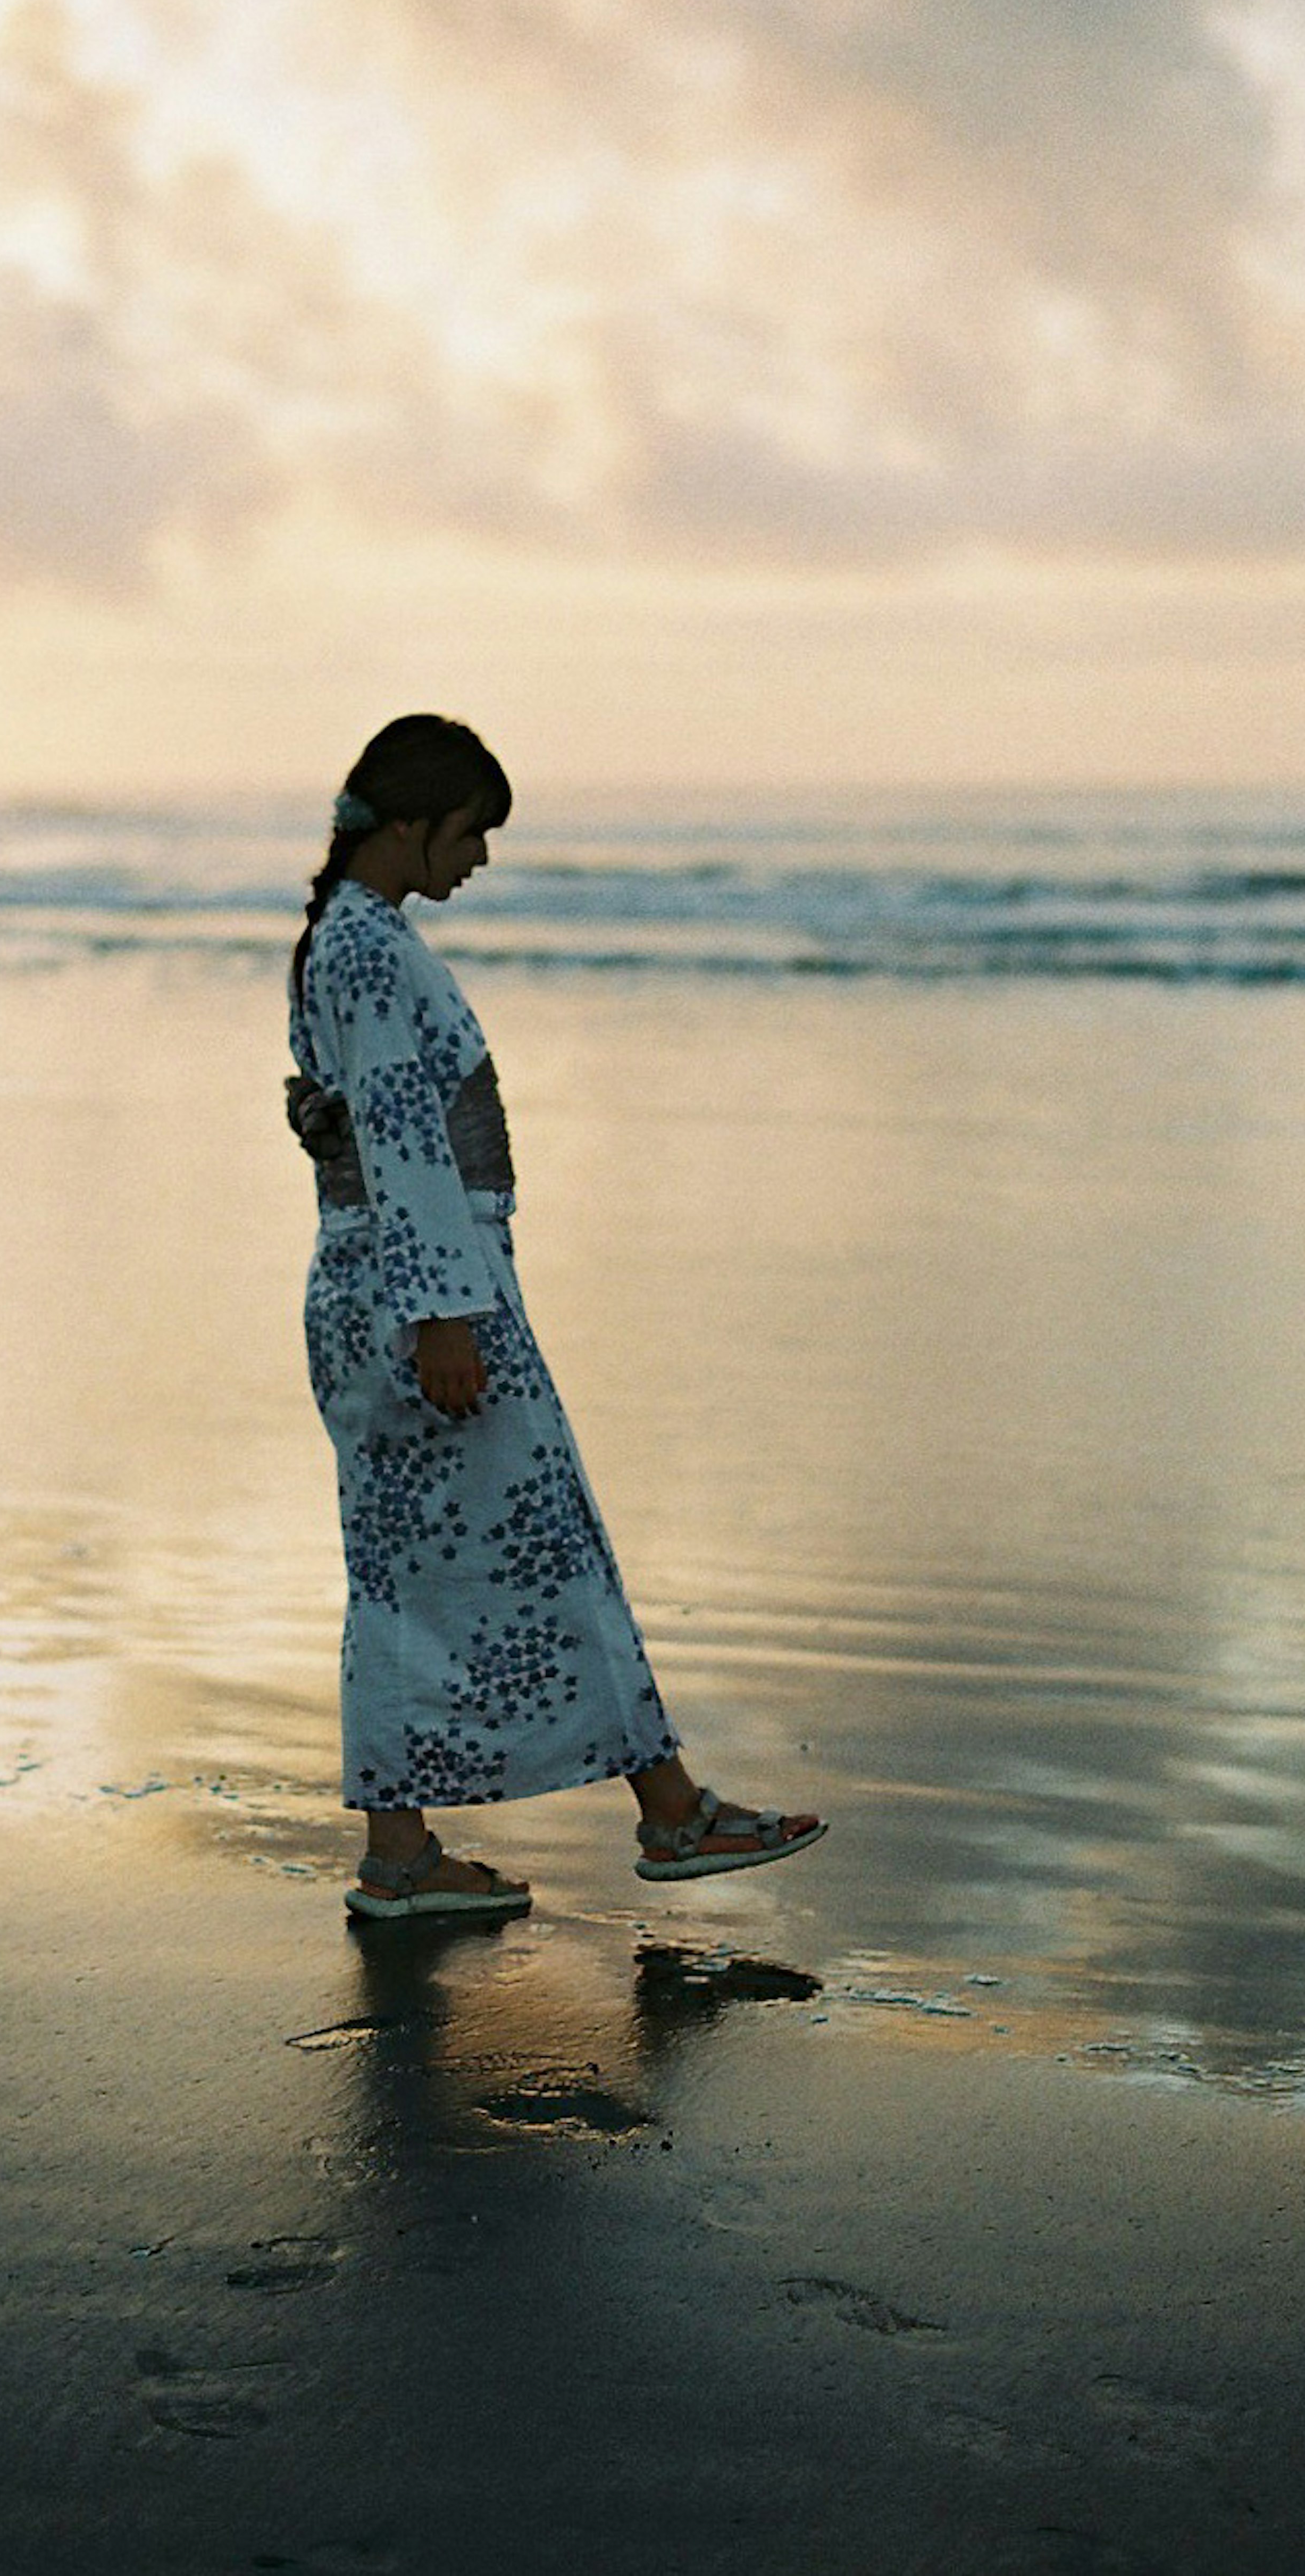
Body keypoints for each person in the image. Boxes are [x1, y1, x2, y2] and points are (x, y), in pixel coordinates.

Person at [287, 714, 825, 1921]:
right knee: (546, 1540)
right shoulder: (368, 949)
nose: (479, 858)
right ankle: (669, 1813)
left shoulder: (343, 938)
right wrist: (444, 1315)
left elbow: (353, 1122)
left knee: (405, 1569)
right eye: (472, 832)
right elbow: (405, 1133)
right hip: (422, 1294)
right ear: (417, 823)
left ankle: (406, 1853)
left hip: (384, 1284)